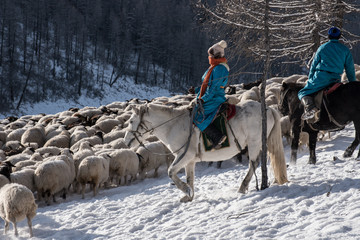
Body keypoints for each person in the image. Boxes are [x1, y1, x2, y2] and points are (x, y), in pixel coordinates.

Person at [298, 26, 356, 122]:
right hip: (336, 79)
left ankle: (310, 108)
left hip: (321, 77)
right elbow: (350, 70)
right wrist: (352, 83)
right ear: (339, 36)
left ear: (328, 36)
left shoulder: (322, 48)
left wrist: (311, 78)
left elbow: (313, 65)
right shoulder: (345, 50)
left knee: (302, 92)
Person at [194, 40, 229, 150]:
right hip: (210, 96)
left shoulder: (220, 68)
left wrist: (203, 99)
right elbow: (206, 84)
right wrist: (196, 90)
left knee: (198, 117)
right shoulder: (214, 66)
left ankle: (217, 137)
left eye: (210, 55)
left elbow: (214, 88)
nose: (209, 57)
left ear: (215, 55)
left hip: (215, 98)